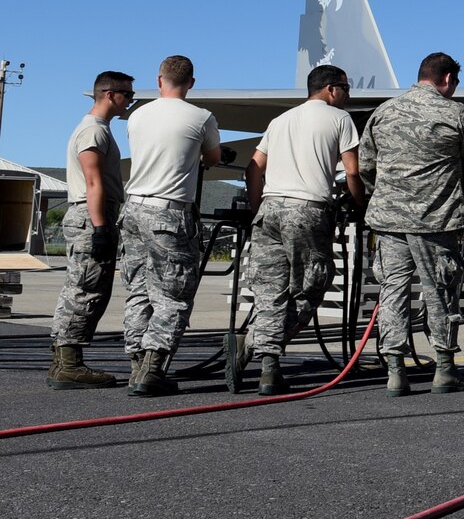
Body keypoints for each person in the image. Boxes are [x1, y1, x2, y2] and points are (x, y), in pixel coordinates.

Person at [359, 52, 464, 396]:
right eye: (454, 83)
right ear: (446, 79)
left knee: (393, 291)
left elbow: (367, 166)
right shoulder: (456, 113)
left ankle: (395, 371)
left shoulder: (383, 113)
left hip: (390, 221)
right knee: (440, 292)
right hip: (437, 221)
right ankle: (444, 368)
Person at [243, 64, 363, 394]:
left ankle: (268, 366)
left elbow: (252, 170)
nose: (348, 96)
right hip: (308, 210)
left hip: (270, 209)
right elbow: (352, 172)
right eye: (347, 89)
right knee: (310, 288)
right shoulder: (340, 120)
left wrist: (258, 211)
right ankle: (255, 344)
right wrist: (360, 205)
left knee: (270, 293)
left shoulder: (280, 121)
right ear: (331, 90)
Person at [122, 55, 223, 396]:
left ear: (159, 79)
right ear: (192, 82)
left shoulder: (138, 115)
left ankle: (137, 363)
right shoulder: (200, 117)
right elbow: (213, 158)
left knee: (139, 289)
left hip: (134, 206)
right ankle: (153, 367)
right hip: (170, 211)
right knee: (174, 294)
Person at [47, 71, 136, 389]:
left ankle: (64, 361)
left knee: (80, 289)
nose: (130, 101)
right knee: (87, 290)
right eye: (128, 95)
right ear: (110, 94)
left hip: (92, 214)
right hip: (91, 215)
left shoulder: (97, 130)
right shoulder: (93, 132)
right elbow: (93, 182)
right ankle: (69, 365)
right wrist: (100, 227)